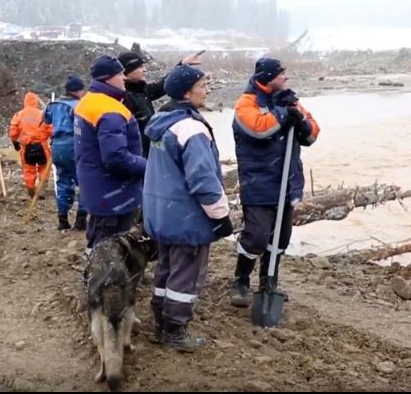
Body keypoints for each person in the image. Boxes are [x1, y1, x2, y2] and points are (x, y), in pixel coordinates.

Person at [143, 64, 234, 351]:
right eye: (203, 85)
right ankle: (174, 330)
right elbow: (203, 180)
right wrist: (221, 215)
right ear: (186, 91)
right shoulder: (191, 129)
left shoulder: (162, 120)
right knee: (187, 273)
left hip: (161, 212)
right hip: (186, 216)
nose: (208, 90)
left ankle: (161, 321)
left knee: (166, 268)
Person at [229, 57, 320, 308]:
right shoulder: (246, 104)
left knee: (280, 237)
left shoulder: (291, 99)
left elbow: (313, 132)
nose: (286, 78)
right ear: (269, 77)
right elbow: (258, 129)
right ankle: (241, 280)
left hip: (287, 181)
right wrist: (282, 114)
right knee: (256, 236)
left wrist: (301, 123)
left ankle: (269, 281)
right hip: (259, 181)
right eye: (282, 74)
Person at [74, 55, 146, 249]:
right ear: (108, 78)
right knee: (110, 245)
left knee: (98, 237)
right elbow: (116, 158)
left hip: (97, 186)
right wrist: (148, 166)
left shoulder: (88, 102)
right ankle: (103, 278)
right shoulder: (110, 111)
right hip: (113, 193)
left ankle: (96, 271)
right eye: (120, 73)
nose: (124, 78)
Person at [43, 75, 87, 230]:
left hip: (57, 146)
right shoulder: (79, 106)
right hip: (74, 144)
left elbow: (46, 121)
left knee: (62, 181)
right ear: (78, 90)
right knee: (83, 182)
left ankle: (62, 218)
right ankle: (81, 219)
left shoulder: (53, 105)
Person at [9, 92, 53, 198]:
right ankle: (41, 189)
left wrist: (14, 141)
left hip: (27, 147)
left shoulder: (19, 115)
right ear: (35, 102)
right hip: (41, 146)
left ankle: (31, 190)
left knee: (29, 169)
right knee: (44, 168)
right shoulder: (42, 114)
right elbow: (50, 130)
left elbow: (13, 131)